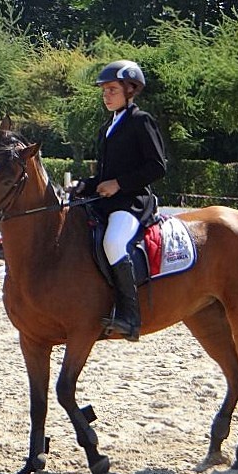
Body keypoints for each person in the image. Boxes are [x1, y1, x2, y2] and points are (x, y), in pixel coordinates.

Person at [73, 60, 166, 342]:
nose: (106, 95)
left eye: (112, 89)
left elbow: (157, 166)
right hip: (107, 202)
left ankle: (130, 315)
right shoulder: (106, 128)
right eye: (104, 90)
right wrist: (84, 185)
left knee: (113, 241)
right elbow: (104, 174)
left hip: (132, 201)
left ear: (130, 89)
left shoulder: (141, 121)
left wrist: (119, 184)